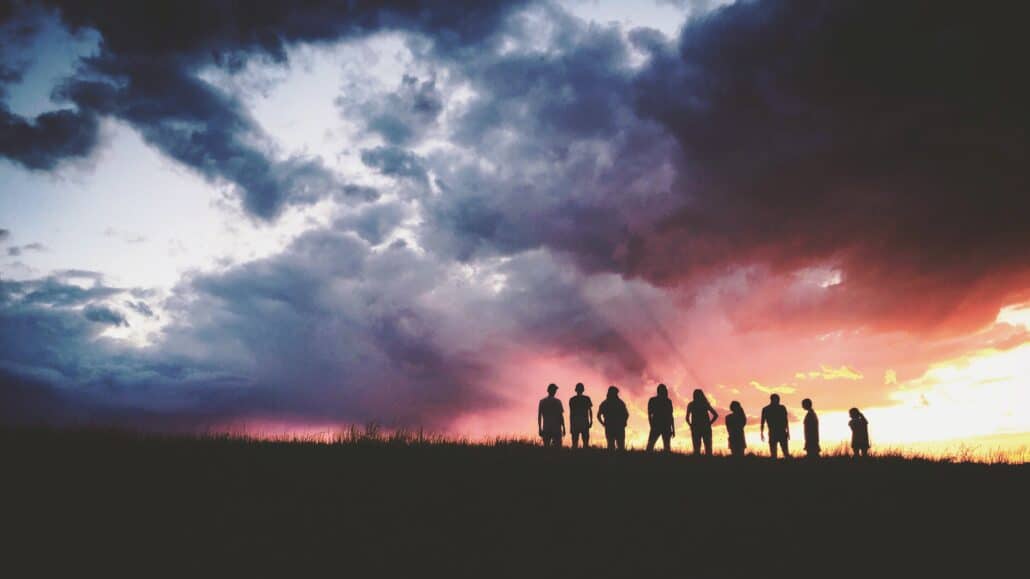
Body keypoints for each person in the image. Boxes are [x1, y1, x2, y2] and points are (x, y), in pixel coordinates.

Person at [686, 388, 719, 456]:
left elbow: (687, 418)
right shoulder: (705, 404)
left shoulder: (691, 404)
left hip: (696, 428)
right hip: (705, 427)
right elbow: (715, 415)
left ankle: (698, 461)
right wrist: (709, 423)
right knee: (708, 448)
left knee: (696, 449)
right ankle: (708, 461)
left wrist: (691, 425)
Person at [597, 386, 629, 451]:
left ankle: (614, 457)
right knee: (617, 446)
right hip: (616, 426)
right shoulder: (620, 403)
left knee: (613, 446)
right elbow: (626, 414)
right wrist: (624, 422)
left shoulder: (605, 403)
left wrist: (603, 423)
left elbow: (626, 414)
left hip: (612, 426)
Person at [646, 383, 675, 452]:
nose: (666, 392)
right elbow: (649, 414)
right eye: (664, 390)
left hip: (665, 426)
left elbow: (671, 416)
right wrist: (651, 425)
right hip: (657, 425)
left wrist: (673, 429)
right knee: (650, 445)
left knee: (666, 447)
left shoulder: (668, 401)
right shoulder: (653, 400)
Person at [760, 394, 790, 458]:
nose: (778, 401)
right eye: (778, 399)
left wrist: (788, 432)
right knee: (775, 453)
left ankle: (786, 462)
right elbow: (762, 422)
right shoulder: (767, 409)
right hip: (775, 432)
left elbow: (786, 420)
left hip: (780, 432)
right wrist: (761, 433)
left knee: (784, 452)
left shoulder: (767, 409)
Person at [568, 382, 593, 448]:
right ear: (583, 390)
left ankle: (575, 454)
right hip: (584, 422)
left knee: (575, 443)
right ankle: (584, 453)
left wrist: (571, 424)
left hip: (576, 422)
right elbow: (590, 410)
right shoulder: (586, 398)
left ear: (576, 390)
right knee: (585, 442)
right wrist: (591, 421)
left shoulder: (572, 399)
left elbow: (571, 413)